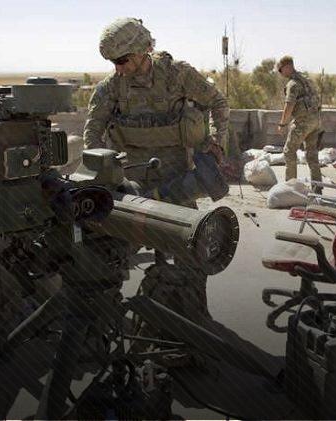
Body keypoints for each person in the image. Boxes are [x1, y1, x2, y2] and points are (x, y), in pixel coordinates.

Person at [83, 17, 229, 331]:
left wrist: (217, 141)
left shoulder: (178, 76)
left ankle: (195, 322)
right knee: (109, 254)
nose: (118, 68)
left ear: (142, 51)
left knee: (191, 252)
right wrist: (100, 173)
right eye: (113, 62)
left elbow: (217, 101)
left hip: (179, 181)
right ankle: (105, 323)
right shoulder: (112, 87)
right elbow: (92, 132)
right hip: (133, 184)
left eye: (122, 60)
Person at [276, 55, 323, 185]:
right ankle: (317, 187)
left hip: (303, 123)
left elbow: (289, 106)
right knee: (312, 155)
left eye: (280, 70)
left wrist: (282, 124)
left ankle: (291, 187)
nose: (280, 73)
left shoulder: (293, 84)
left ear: (287, 67)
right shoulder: (306, 80)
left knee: (289, 151)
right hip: (316, 121)